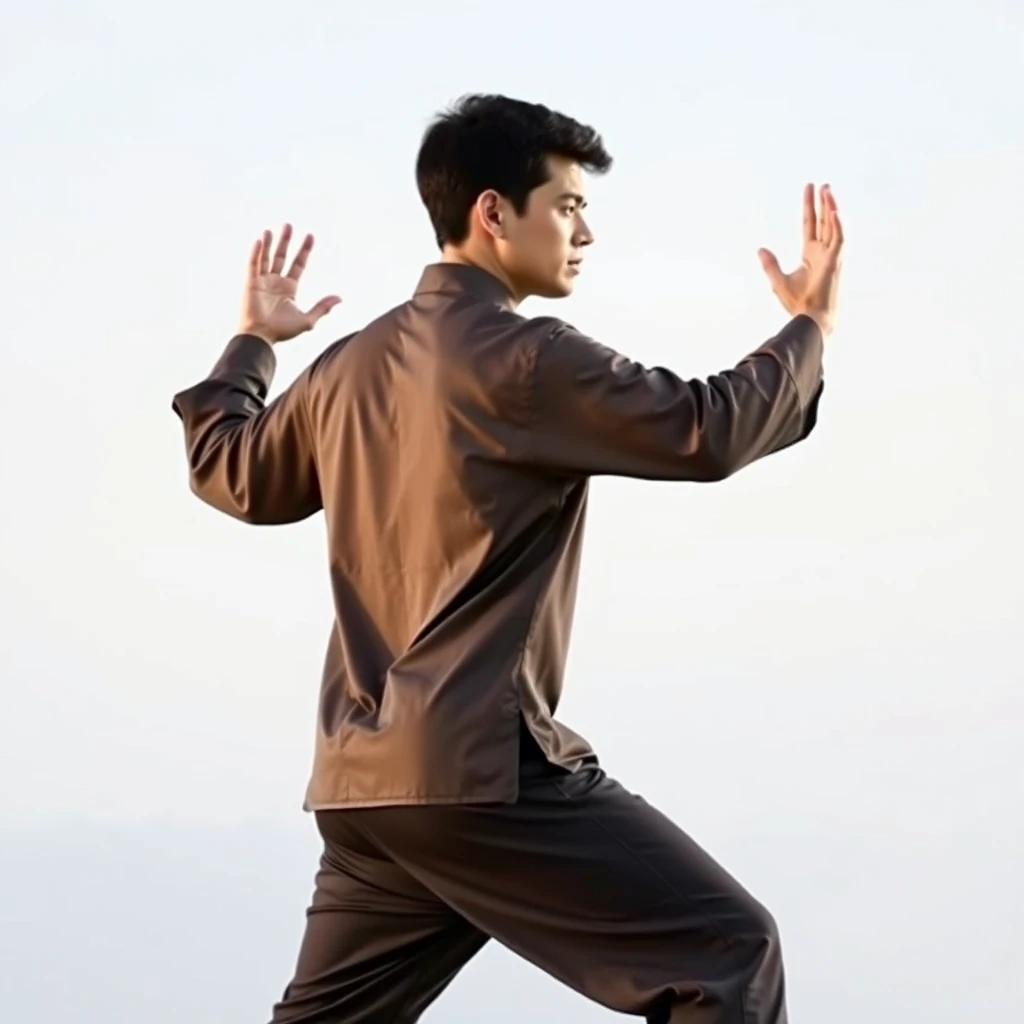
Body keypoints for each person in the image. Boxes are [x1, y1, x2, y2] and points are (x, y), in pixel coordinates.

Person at [171, 93, 843, 1023]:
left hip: (367, 792)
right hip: (477, 774)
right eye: (568, 205)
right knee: (728, 952)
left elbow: (230, 471)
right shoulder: (525, 359)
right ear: (493, 213)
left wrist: (252, 344)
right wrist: (808, 328)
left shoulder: (345, 367)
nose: (586, 232)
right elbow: (705, 430)